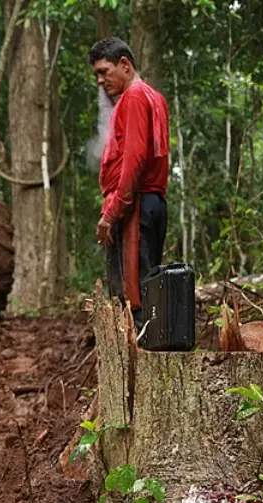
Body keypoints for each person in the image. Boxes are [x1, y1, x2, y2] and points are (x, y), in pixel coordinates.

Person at [88, 36, 169, 323]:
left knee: (133, 296)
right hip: (152, 203)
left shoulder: (134, 97)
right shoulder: (154, 97)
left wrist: (111, 213)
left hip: (134, 206)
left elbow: (134, 160)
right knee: (149, 290)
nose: (99, 81)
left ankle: (139, 359)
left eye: (103, 72)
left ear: (124, 64)